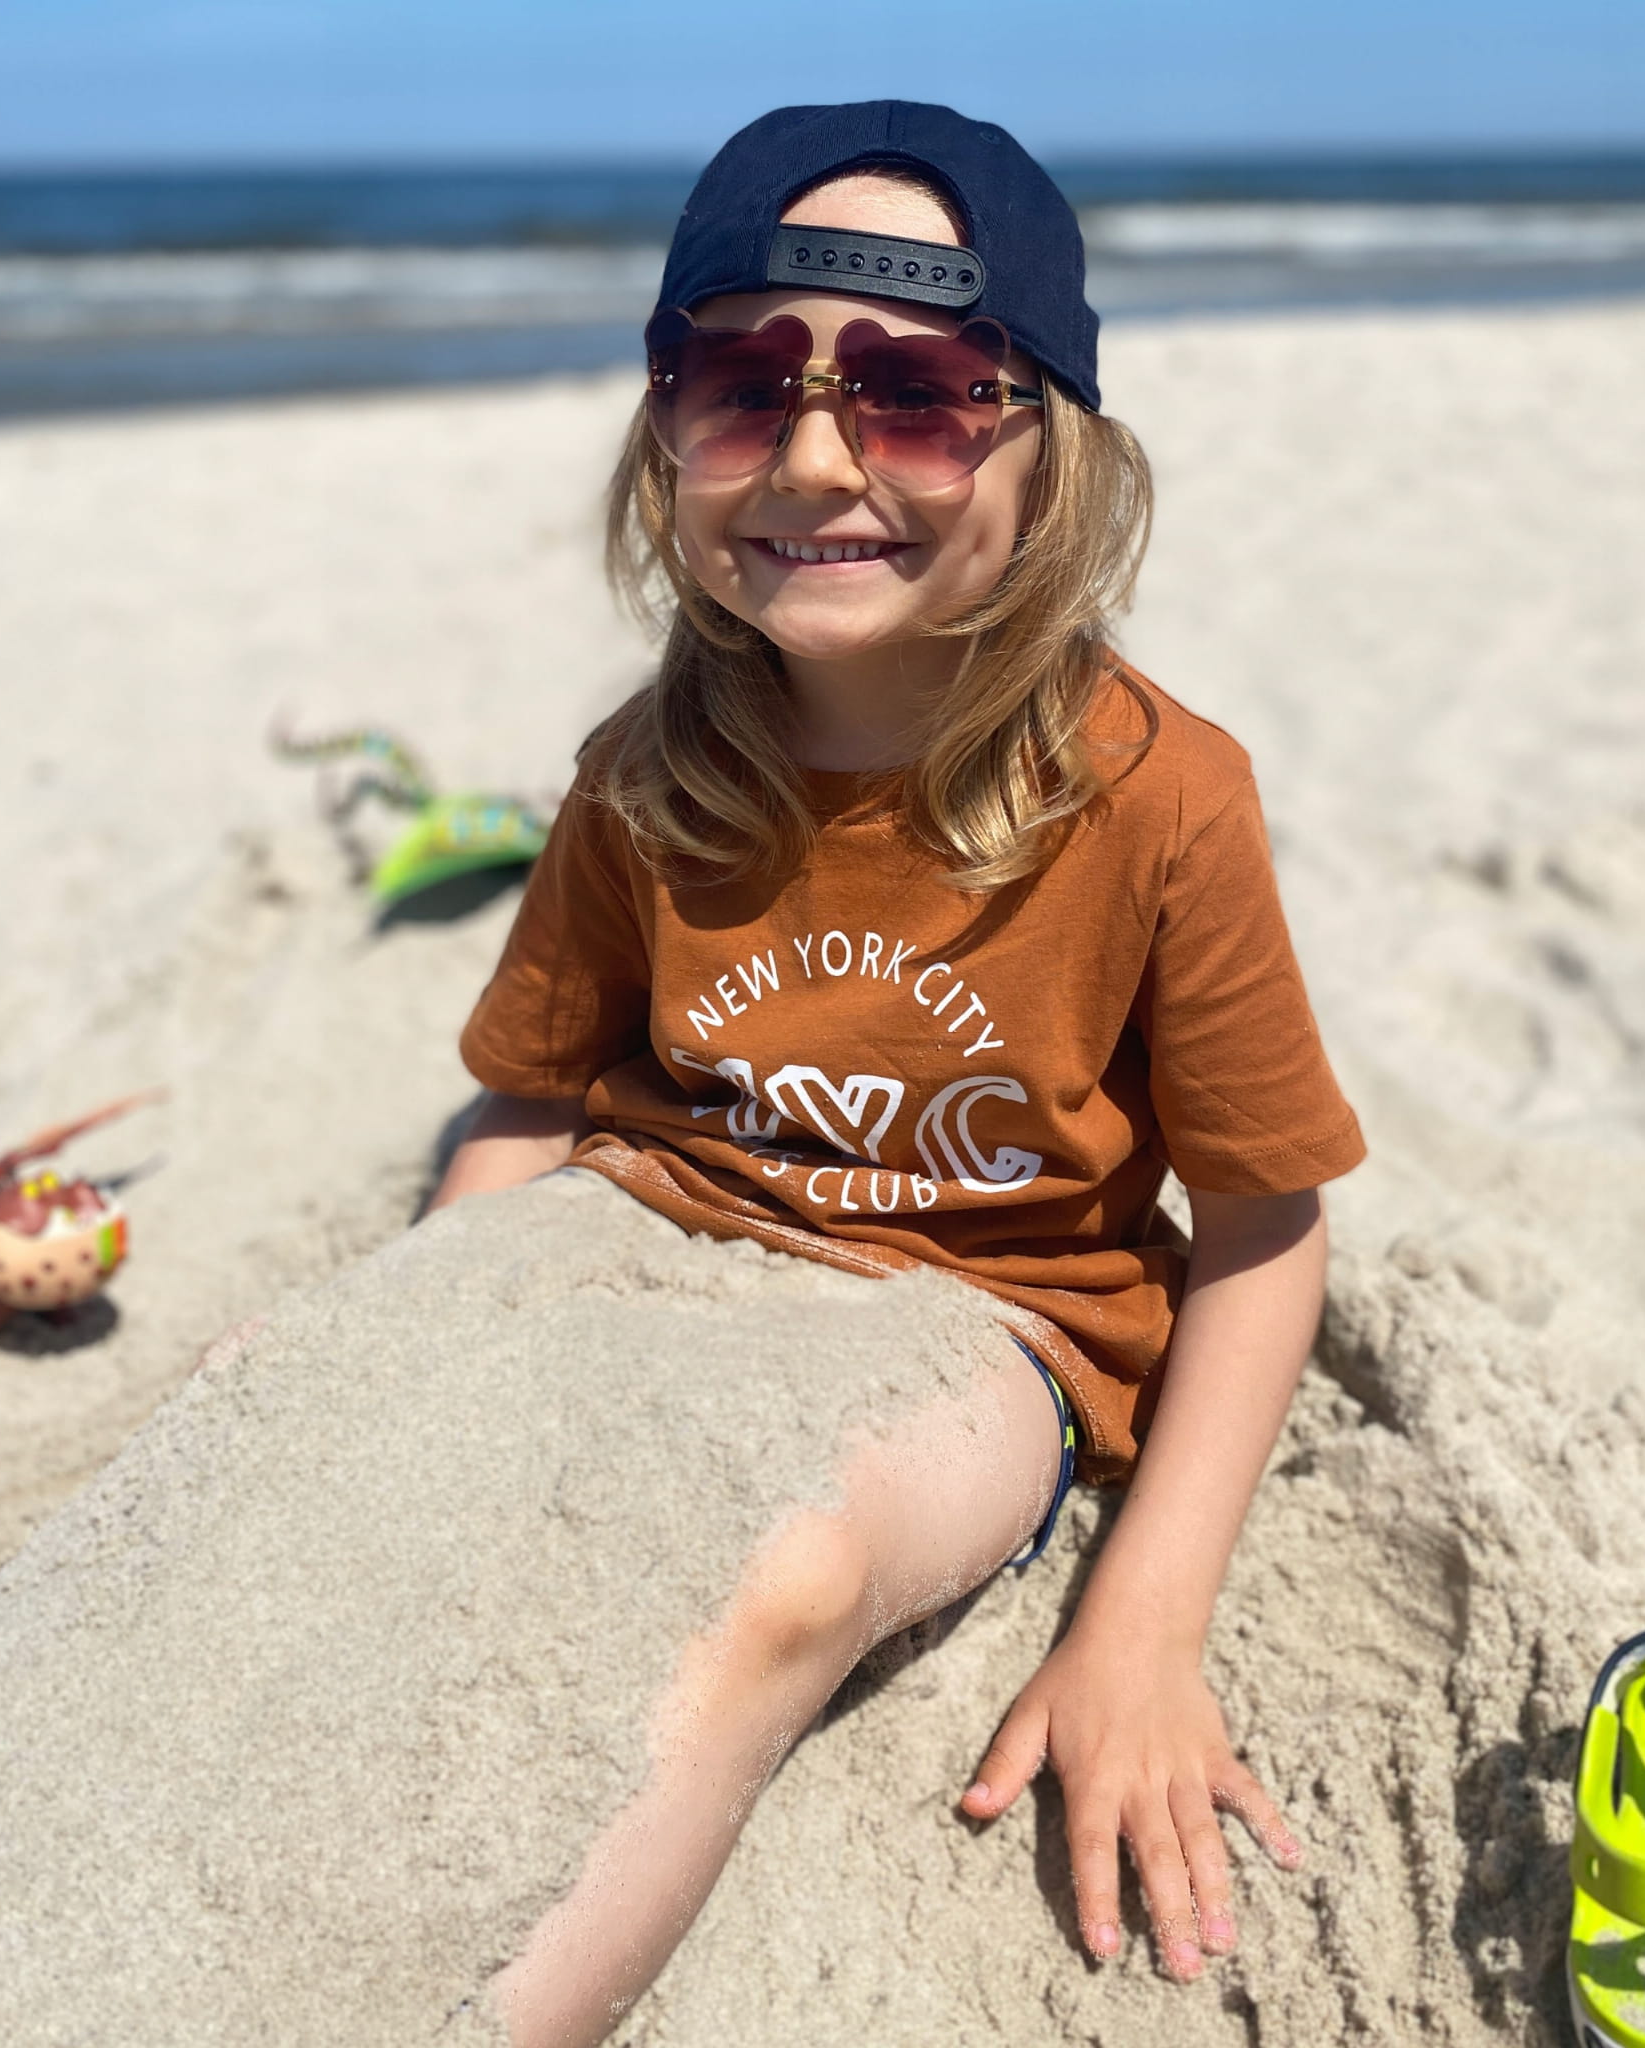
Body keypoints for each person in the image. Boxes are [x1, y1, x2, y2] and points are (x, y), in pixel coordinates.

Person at [430, 101, 1366, 2048]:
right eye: (739, 383)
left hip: (993, 1318)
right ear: (665, 428)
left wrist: (1142, 1618)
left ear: (1051, 446)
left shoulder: (1160, 799)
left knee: (791, 1573)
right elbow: (529, 1097)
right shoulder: (645, 773)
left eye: (921, 393)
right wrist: (406, 1339)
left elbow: (1264, 1229)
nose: (815, 458)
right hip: (650, 1241)